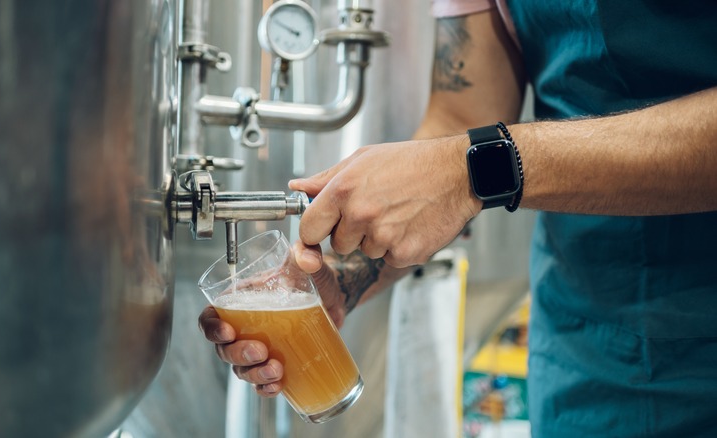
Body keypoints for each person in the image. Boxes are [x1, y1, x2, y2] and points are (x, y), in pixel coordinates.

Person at [200, 1, 717, 435]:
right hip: (588, 345)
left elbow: (467, 157)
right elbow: (465, 110)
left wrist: (474, 167)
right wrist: (347, 276)